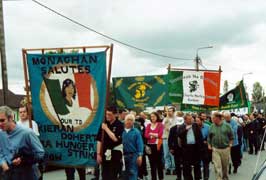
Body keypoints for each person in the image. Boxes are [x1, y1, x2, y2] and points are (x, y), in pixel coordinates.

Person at [0, 106, 45, 180]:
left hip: (28, 175)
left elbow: (40, 153)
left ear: (11, 118)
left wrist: (24, 159)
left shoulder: (27, 133)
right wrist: (4, 165)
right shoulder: (1, 134)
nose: (0, 124)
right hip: (10, 174)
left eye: (2, 120)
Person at [96, 108, 124, 180]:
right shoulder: (104, 123)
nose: (107, 116)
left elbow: (115, 139)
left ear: (115, 115)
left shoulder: (119, 125)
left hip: (115, 152)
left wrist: (106, 129)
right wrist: (98, 154)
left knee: (113, 175)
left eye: (109, 114)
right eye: (106, 114)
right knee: (104, 175)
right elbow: (99, 140)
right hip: (105, 152)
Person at [208, 112, 234, 180]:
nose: (212, 119)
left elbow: (231, 136)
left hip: (225, 149)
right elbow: (209, 137)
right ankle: (219, 178)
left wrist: (230, 144)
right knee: (217, 166)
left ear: (218, 118)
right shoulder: (211, 126)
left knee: (225, 166)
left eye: (213, 118)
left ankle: (225, 177)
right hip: (215, 149)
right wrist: (209, 145)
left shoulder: (227, 126)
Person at [177, 114, 203, 180]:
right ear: (185, 120)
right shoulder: (181, 126)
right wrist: (186, 129)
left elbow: (200, 136)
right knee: (186, 166)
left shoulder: (195, 125)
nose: (191, 120)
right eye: (189, 119)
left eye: (191, 118)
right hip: (186, 148)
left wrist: (201, 147)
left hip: (195, 147)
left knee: (197, 164)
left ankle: (197, 177)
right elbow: (179, 135)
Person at [122, 114, 144, 180]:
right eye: (128, 120)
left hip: (133, 155)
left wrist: (140, 156)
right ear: (125, 121)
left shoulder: (136, 132)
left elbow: (140, 144)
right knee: (123, 174)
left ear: (133, 122)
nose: (129, 121)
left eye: (131, 120)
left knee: (133, 173)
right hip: (122, 156)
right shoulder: (121, 131)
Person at [145, 112, 164, 180]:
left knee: (159, 162)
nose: (152, 118)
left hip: (158, 145)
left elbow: (160, 134)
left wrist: (151, 134)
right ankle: (153, 178)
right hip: (150, 146)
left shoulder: (160, 125)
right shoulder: (148, 125)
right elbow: (146, 135)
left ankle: (161, 177)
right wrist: (154, 135)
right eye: (151, 116)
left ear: (157, 117)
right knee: (152, 163)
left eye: (154, 116)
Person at [168, 114, 184, 180]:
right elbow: (170, 139)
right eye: (178, 124)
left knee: (185, 163)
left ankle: (186, 176)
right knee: (177, 163)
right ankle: (178, 176)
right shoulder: (173, 129)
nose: (179, 125)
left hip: (184, 148)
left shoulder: (185, 128)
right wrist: (171, 148)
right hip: (176, 148)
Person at [162, 107, 177, 175]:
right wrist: (166, 121)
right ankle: (167, 167)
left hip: (173, 139)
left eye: (171, 111)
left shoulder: (177, 119)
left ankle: (174, 168)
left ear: (173, 112)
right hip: (165, 138)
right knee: (166, 154)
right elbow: (162, 126)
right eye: (168, 111)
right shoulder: (165, 119)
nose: (169, 112)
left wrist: (170, 128)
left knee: (173, 154)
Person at [195, 116, 211, 180]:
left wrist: (207, 141)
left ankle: (206, 177)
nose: (196, 122)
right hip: (197, 146)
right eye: (196, 121)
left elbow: (210, 136)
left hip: (205, 146)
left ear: (202, 121)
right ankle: (198, 176)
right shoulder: (194, 127)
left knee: (206, 163)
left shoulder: (207, 127)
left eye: (198, 121)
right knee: (197, 163)